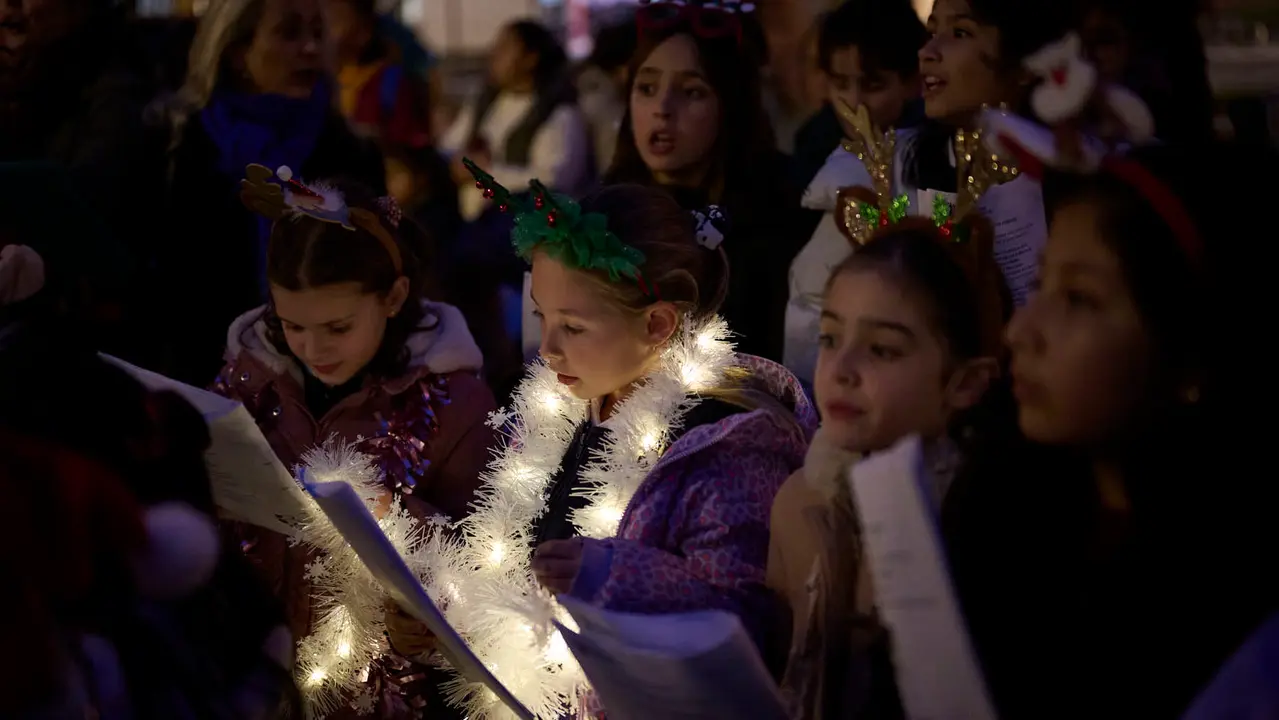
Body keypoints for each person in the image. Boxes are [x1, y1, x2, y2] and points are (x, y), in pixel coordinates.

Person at [389, 170, 817, 719]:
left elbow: (744, 631)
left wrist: (617, 577)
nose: (547, 349)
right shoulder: (562, 408)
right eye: (541, 316)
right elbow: (519, 567)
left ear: (658, 324)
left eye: (574, 326)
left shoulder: (726, 448)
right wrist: (444, 611)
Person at [942, 131, 1279, 717]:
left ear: (1191, 351)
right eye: (1042, 284)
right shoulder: (996, 510)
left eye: (1079, 299)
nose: (1020, 333)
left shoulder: (1238, 610)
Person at [215, 168, 496, 717]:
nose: (312, 348)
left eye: (338, 328)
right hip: (259, 671)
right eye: (292, 325)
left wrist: (400, 519)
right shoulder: (249, 379)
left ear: (393, 297)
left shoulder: (456, 405)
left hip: (379, 692)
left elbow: (485, 551)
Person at [768, 219, 1009, 719]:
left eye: (882, 349)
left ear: (965, 383)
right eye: (830, 337)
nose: (841, 368)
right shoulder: (798, 501)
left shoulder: (983, 527)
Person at [160, 0, 384, 386]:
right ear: (235, 52)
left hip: (330, 390)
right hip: (200, 384)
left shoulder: (350, 153)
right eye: (289, 33)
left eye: (317, 33)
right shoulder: (177, 148)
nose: (311, 48)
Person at [601, 2, 806, 363]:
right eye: (646, 88)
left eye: (692, 92)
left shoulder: (780, 215)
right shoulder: (603, 218)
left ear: (731, 105)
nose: (662, 107)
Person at [784, 0, 930, 389]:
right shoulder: (815, 145)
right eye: (841, 84)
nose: (854, 101)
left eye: (873, 85)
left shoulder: (926, 156)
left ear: (912, 81)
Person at [440, 20, 591, 223]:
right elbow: (449, 146)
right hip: (471, 225)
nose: (493, 55)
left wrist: (485, 173)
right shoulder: (485, 103)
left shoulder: (560, 114)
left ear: (531, 59)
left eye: (504, 48)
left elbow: (555, 180)